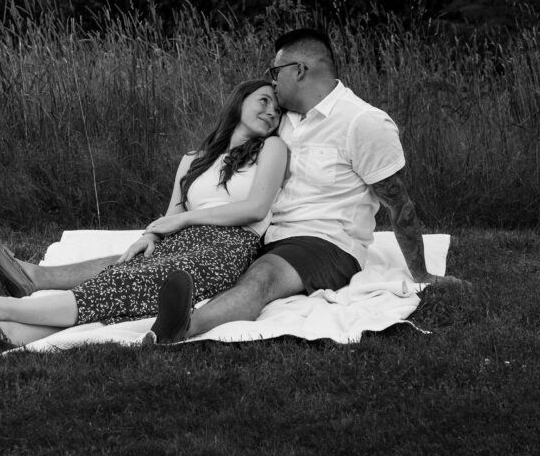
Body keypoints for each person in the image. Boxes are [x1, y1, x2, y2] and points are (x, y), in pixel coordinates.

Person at [148, 28, 468, 345]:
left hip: (324, 242)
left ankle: (182, 328)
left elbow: (399, 203)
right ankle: (120, 293)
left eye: (275, 71)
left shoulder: (362, 122)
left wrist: (421, 273)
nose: (271, 81)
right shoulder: (280, 120)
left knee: (263, 278)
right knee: (182, 256)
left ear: (299, 70)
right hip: (262, 233)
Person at [0, 79, 287, 351]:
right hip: (177, 240)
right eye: (264, 101)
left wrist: (185, 220)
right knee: (124, 277)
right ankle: (5, 336)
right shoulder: (194, 159)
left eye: (277, 109)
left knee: (130, 284)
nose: (272, 112)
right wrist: (149, 237)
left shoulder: (272, 147)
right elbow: (168, 217)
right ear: (239, 101)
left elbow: (255, 208)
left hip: (229, 244)